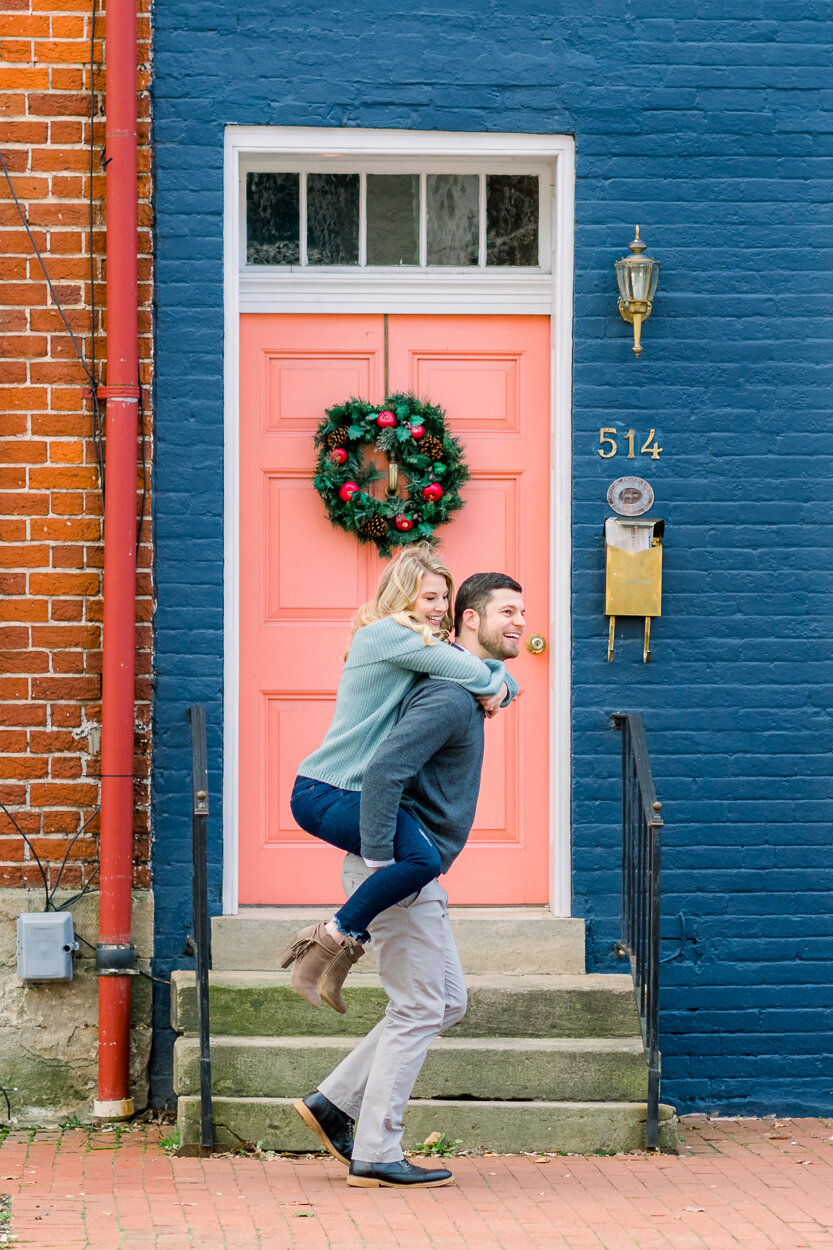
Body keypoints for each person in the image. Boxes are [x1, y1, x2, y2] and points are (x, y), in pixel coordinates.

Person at [293, 572, 525, 1189]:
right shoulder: (449, 695)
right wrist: (380, 863)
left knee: (446, 1002)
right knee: (422, 1005)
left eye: (522, 612)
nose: (521, 623)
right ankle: (375, 1149)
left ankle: (331, 1103)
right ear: (468, 621)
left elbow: (498, 683)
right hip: (395, 865)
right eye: (507, 612)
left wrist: (499, 686)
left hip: (411, 862)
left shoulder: (467, 686)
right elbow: (386, 771)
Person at [281, 546, 518, 1014]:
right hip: (326, 790)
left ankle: (339, 958)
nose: (437, 608)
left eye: (443, 598)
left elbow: (477, 665)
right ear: (400, 597)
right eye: (427, 597)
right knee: (420, 859)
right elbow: (472, 667)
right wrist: (500, 685)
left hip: (350, 790)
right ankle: (323, 946)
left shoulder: (418, 644)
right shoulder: (388, 634)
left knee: (419, 860)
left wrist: (501, 683)